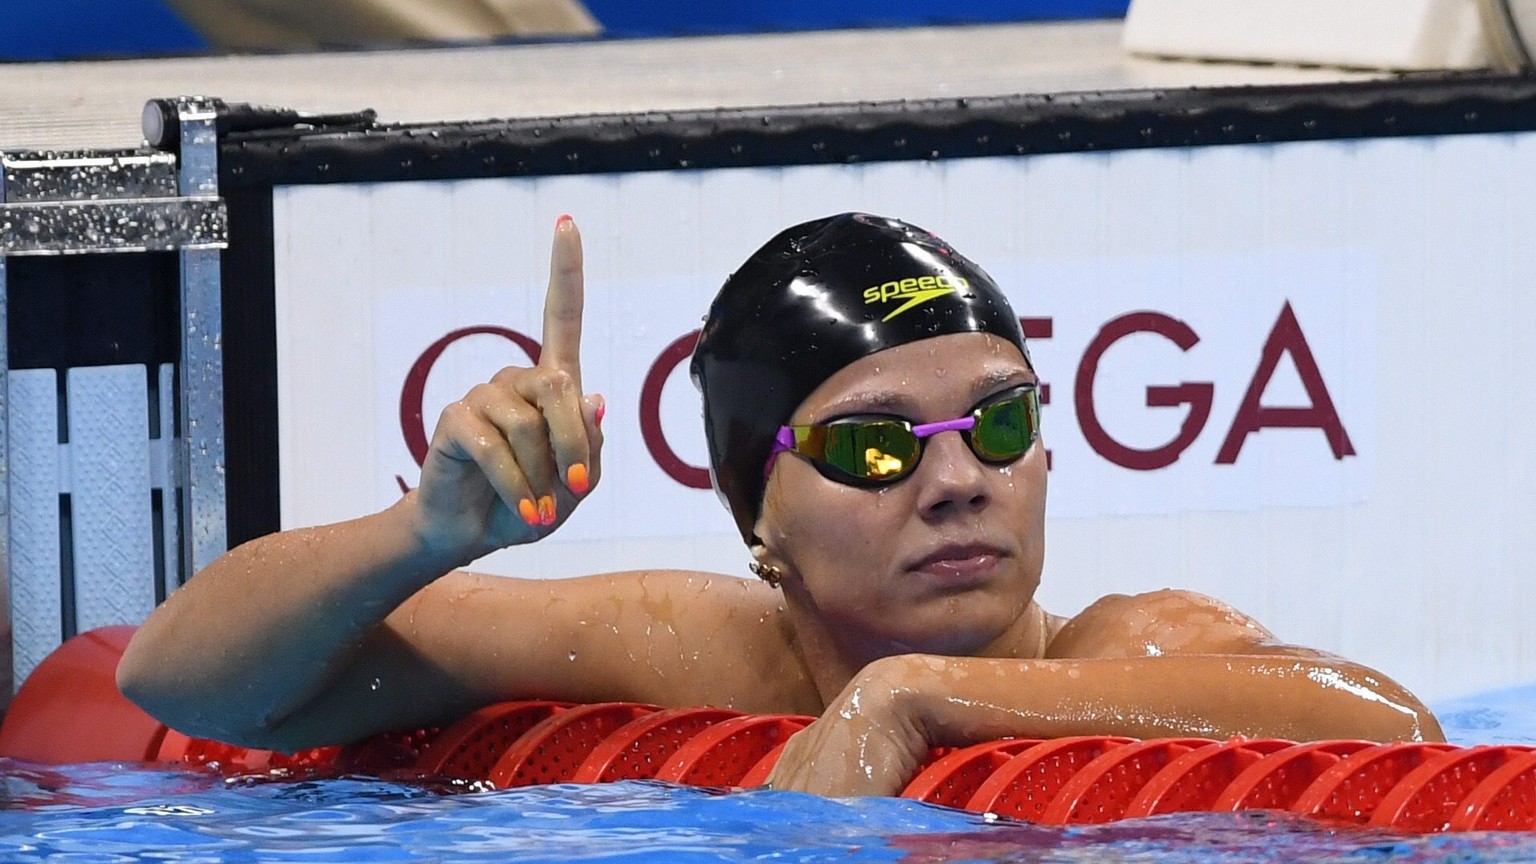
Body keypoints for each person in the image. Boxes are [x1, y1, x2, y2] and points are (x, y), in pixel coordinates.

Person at [118, 212, 1442, 797]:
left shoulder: (1128, 650)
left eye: (998, 421)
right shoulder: (691, 655)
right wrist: (423, 538)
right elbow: (186, 683)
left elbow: (1395, 731)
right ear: (759, 514)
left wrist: (918, 692)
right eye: (876, 448)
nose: (958, 480)